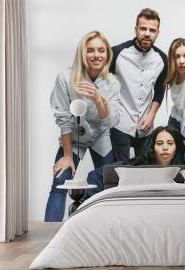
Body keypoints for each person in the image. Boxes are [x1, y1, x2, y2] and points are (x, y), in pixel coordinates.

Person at [45, 31, 121, 222]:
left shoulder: (112, 83)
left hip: (100, 136)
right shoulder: (65, 77)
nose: (96, 55)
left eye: (101, 50)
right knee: (60, 182)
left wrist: (98, 99)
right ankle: (49, 234)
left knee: (109, 184)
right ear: (82, 53)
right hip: (74, 138)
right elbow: (64, 119)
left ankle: (103, 228)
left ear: (107, 55)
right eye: (90, 50)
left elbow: (111, 121)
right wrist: (68, 156)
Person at [109, 8, 168, 162]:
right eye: (143, 28)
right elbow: (102, 82)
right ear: (136, 29)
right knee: (120, 170)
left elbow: (159, 90)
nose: (147, 33)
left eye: (152, 30)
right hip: (120, 123)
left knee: (145, 169)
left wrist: (152, 115)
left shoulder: (162, 58)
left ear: (157, 33)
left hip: (146, 126)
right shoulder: (117, 53)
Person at [85, 126, 185, 198]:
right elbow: (94, 176)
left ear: (176, 148)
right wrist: (100, 204)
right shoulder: (135, 166)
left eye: (170, 143)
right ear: (152, 147)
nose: (165, 148)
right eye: (159, 143)